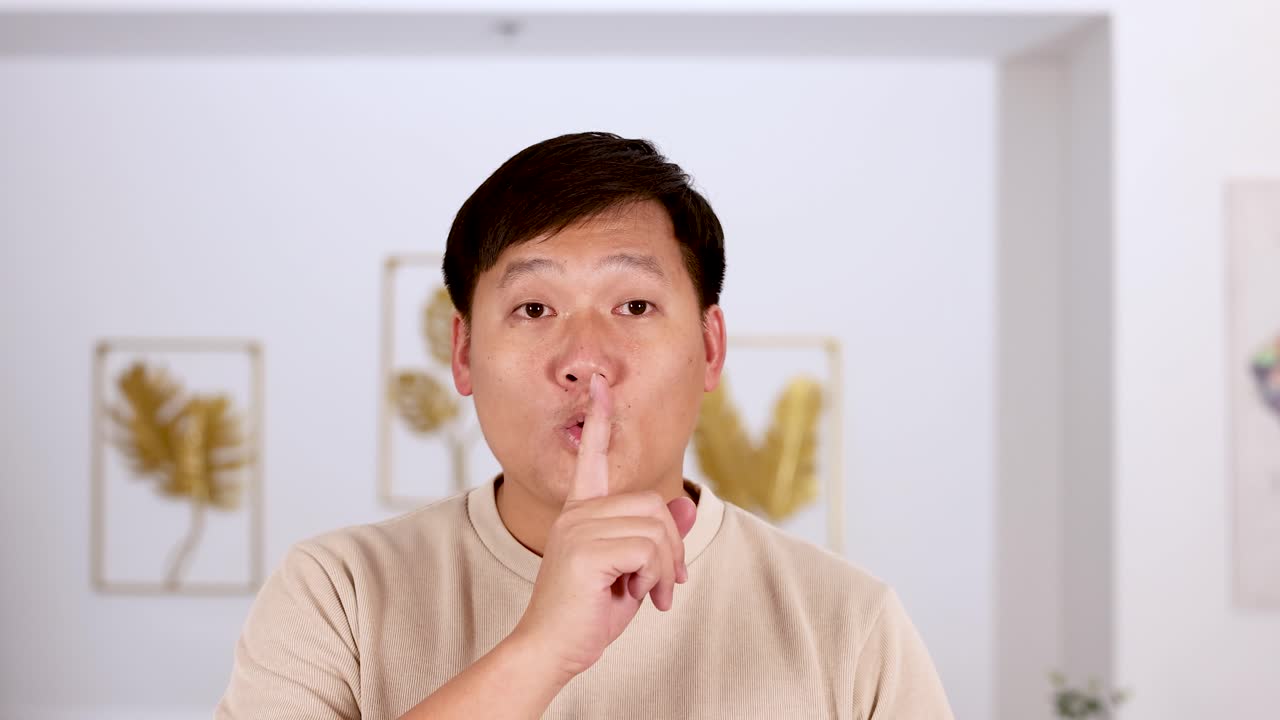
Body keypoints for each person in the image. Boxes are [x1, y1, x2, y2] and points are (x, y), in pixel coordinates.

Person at [215, 132, 953, 719]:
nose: (585, 361)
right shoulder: (338, 591)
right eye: (534, 309)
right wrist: (542, 650)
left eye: (634, 307)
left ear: (710, 347)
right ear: (465, 352)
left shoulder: (849, 623)